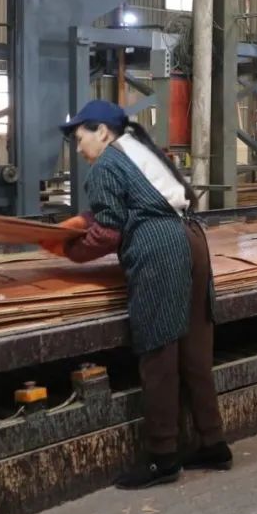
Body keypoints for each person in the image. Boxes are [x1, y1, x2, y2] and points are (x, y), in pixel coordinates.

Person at [44, 100, 230, 489]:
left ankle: (163, 458)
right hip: (192, 241)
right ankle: (212, 443)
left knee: (159, 352)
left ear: (102, 132)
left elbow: (108, 231)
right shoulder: (140, 150)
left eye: (80, 138)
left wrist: (67, 248)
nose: (79, 149)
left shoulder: (106, 164)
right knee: (194, 352)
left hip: (160, 249)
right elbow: (139, 201)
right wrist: (82, 222)